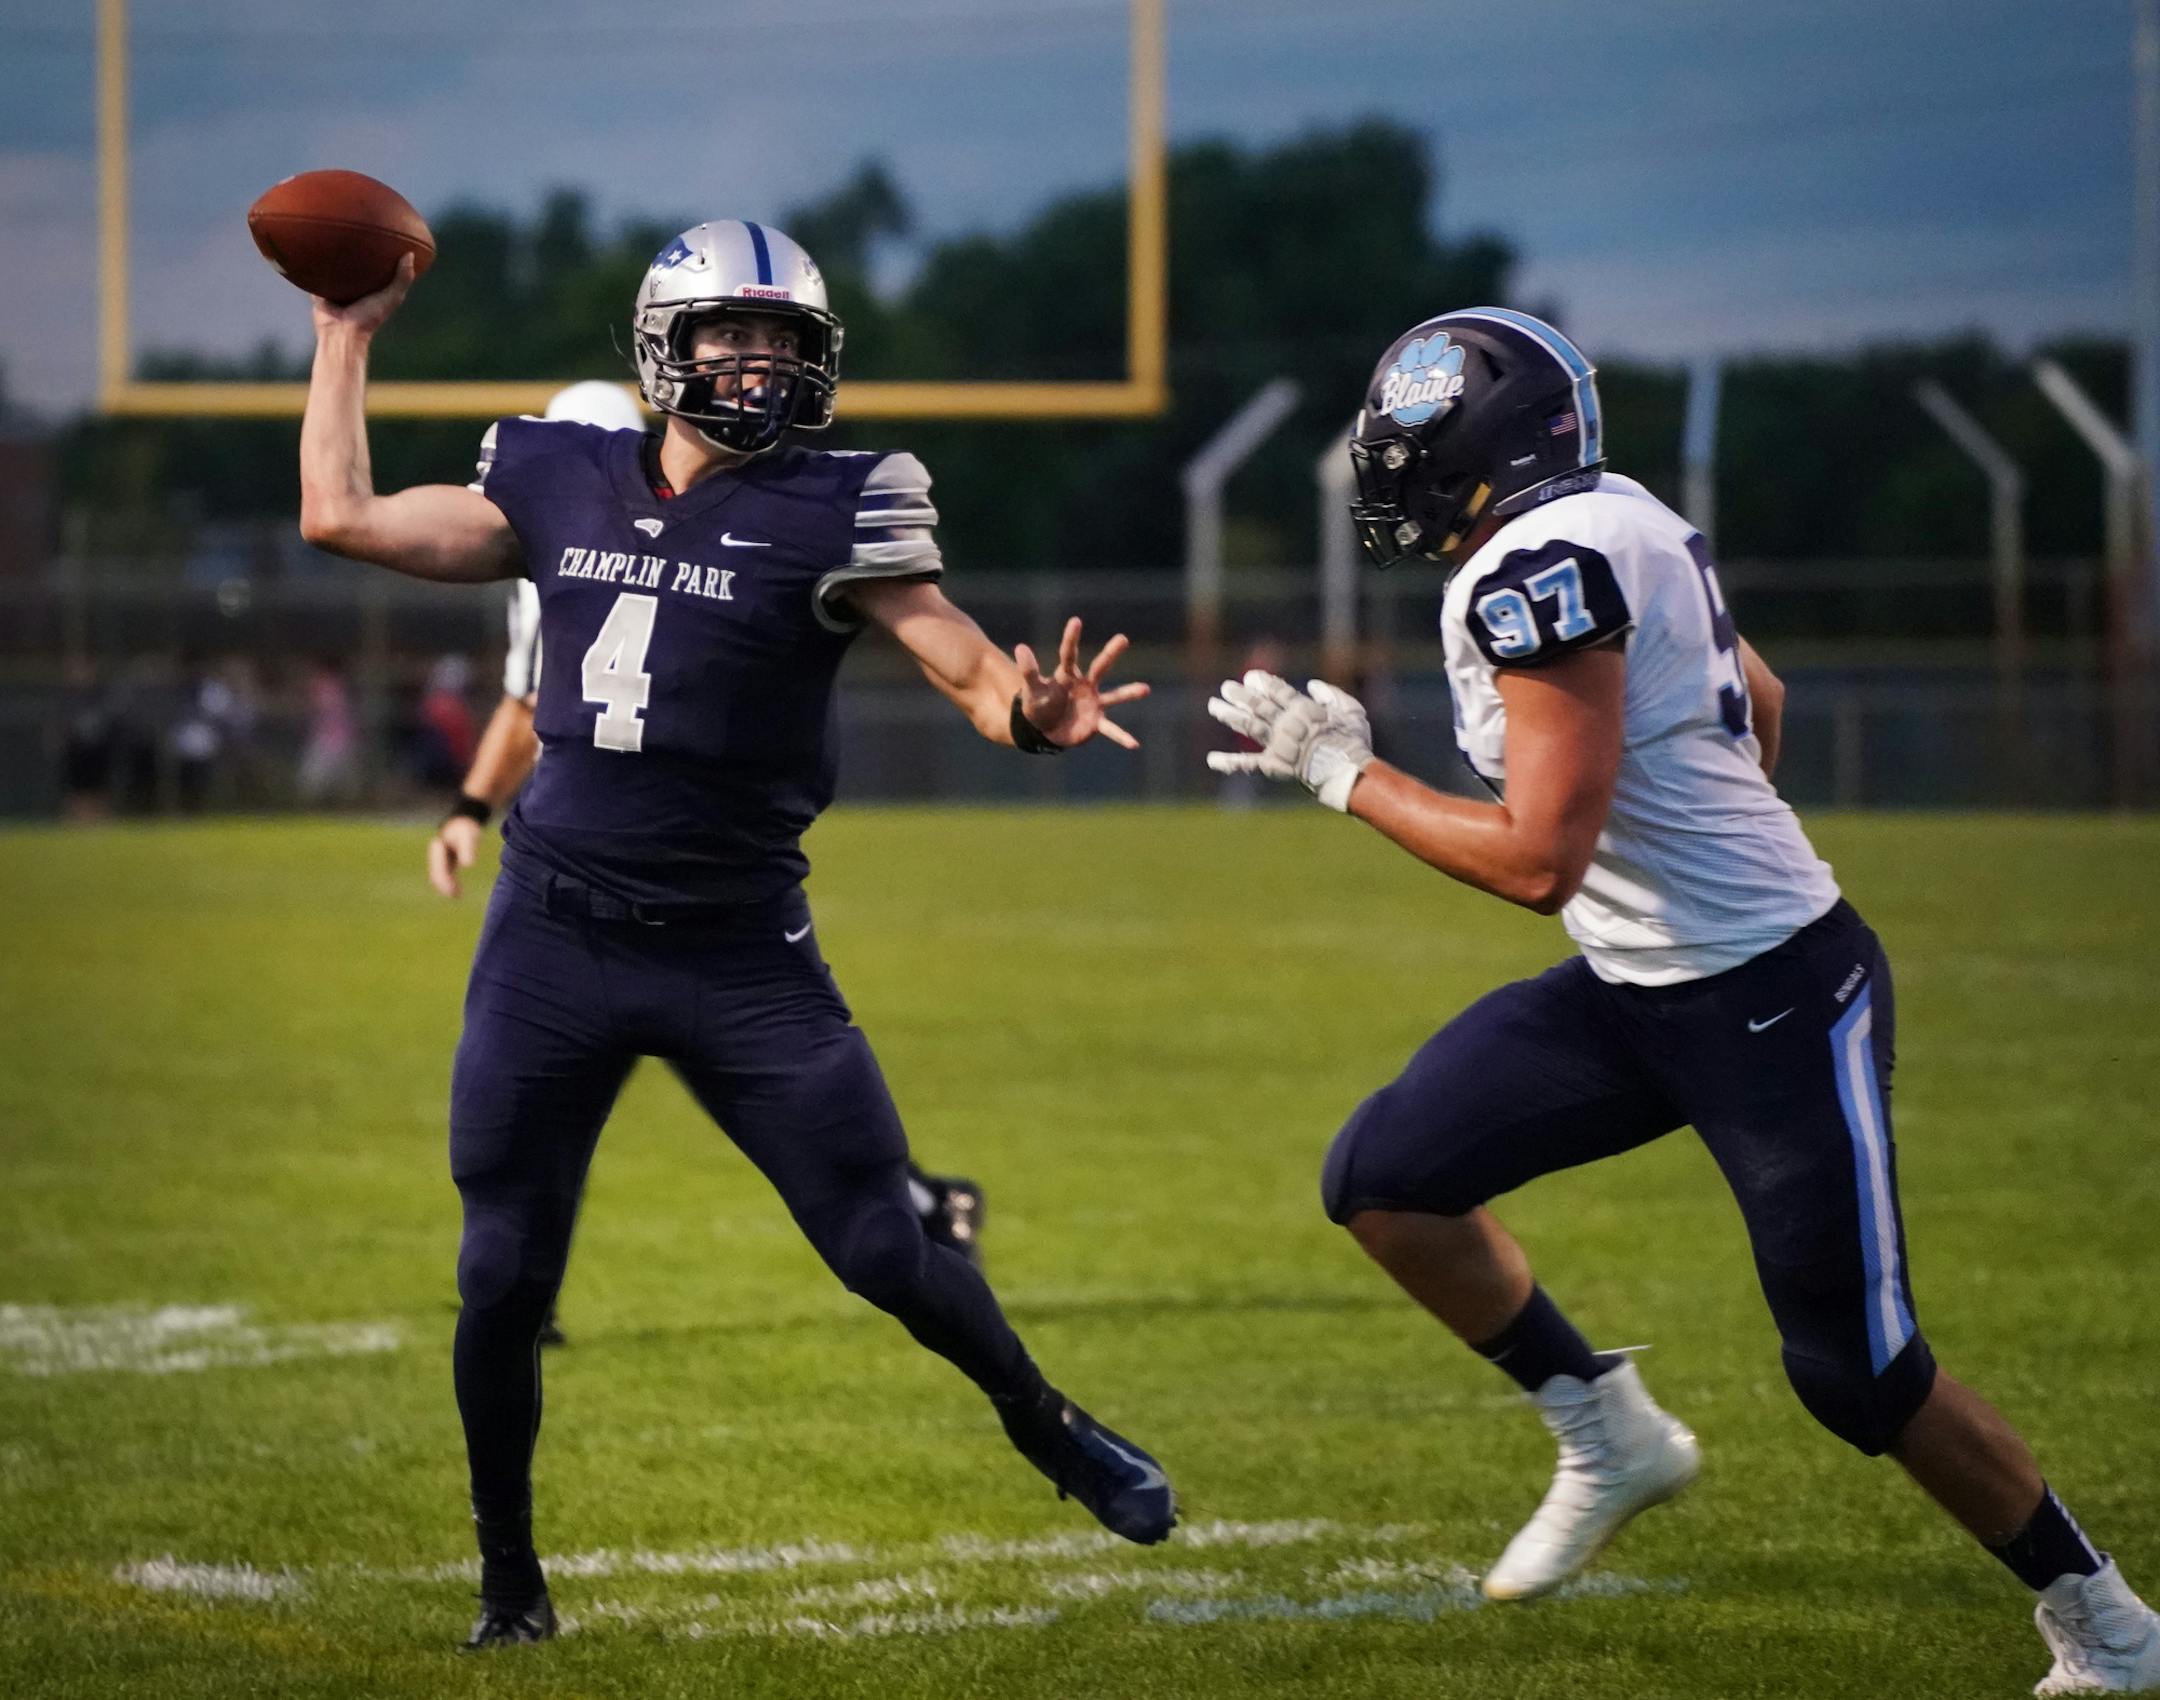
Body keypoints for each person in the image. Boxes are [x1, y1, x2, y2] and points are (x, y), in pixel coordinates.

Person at [1206, 308, 2159, 1696]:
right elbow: (1759, 700)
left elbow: (1539, 861)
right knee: (1386, 1175)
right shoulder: (1615, 516)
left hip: (1773, 998)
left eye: (1415, 449)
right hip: (1640, 985)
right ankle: (1606, 1428)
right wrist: (1697, 850)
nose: (1395, 478)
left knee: (1860, 1375)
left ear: (1483, 449)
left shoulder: (1541, 569)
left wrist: (1344, 773)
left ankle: (2111, 1627)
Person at [297, 220, 1173, 1651]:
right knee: (502, 1272)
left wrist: (1030, 716)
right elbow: (339, 515)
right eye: (731, 340)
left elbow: (960, 666)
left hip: (738, 951)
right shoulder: (554, 473)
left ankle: (1045, 1421)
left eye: (786, 345)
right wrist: (347, 337)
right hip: (555, 936)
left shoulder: (842, 505)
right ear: (664, 349)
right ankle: (509, 1581)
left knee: (884, 1243)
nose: (761, 368)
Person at [425, 385, 987, 1354]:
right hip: (595, 871)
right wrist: (472, 808)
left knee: (676, 1073)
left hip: (695, 874)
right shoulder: (563, 536)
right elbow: (531, 699)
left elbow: (529, 704)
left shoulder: (709, 527)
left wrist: (472, 807)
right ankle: (924, 1199)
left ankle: (919, 1203)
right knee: (593, 1081)